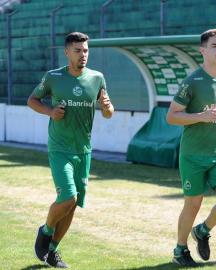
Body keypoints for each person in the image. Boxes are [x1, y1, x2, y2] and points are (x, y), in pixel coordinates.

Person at [28, 32, 114, 268]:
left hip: (83, 150)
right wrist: (50, 112)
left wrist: (107, 108)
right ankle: (45, 231)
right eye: (77, 50)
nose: (83, 55)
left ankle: (52, 251)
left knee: (73, 205)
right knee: (68, 197)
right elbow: (32, 100)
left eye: (85, 50)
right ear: (67, 52)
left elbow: (108, 112)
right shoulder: (53, 77)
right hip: (60, 148)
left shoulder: (97, 78)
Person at [166, 28, 216, 267]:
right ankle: (179, 250)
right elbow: (172, 116)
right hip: (193, 155)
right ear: (203, 50)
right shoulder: (192, 82)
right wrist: (200, 116)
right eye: (215, 46)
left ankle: (202, 230)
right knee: (193, 203)